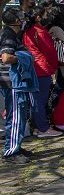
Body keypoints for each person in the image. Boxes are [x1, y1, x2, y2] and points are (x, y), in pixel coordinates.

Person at [22, 4, 63, 138]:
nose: (47, 17)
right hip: (42, 68)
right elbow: (50, 52)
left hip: (32, 67)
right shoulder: (40, 32)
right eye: (45, 14)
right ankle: (42, 128)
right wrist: (53, 66)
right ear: (39, 17)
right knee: (40, 100)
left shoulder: (28, 31)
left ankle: (36, 125)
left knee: (34, 99)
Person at [2, 8, 36, 163]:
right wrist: (23, 57)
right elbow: (6, 58)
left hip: (17, 82)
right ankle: (11, 152)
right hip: (12, 83)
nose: (24, 19)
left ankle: (17, 145)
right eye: (21, 17)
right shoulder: (8, 35)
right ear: (16, 20)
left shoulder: (14, 34)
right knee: (15, 116)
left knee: (19, 115)